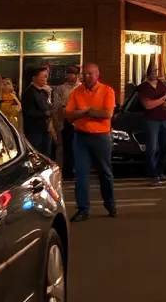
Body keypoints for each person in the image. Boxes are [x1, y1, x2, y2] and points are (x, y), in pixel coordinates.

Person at [65, 62, 117, 222]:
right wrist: (87, 112)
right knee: (81, 175)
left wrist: (85, 112)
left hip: (101, 137)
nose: (87, 77)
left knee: (105, 173)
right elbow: (68, 114)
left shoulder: (107, 91)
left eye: (90, 74)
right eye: (85, 74)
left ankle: (110, 203)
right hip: (81, 137)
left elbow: (107, 114)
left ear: (97, 74)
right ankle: (83, 209)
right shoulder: (77, 92)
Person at [135, 61, 166, 186]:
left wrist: (165, 103)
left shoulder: (162, 84)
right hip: (151, 120)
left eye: (156, 70)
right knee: (152, 148)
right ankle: (153, 175)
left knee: (165, 147)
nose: (154, 73)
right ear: (147, 72)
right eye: (152, 71)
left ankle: (160, 172)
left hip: (163, 118)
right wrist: (162, 99)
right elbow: (148, 105)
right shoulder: (143, 87)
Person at [52, 65, 80, 179]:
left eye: (72, 74)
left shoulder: (81, 87)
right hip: (66, 120)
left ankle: (78, 169)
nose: (69, 76)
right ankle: (67, 171)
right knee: (67, 147)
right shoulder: (60, 88)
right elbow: (56, 105)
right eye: (68, 74)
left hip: (79, 119)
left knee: (79, 146)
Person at [22, 66, 57, 157]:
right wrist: (45, 114)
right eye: (43, 76)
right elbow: (29, 112)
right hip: (34, 130)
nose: (46, 79)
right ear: (34, 78)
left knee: (47, 154)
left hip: (46, 128)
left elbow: (49, 105)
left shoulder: (44, 92)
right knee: (37, 155)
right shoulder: (29, 93)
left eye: (46, 76)